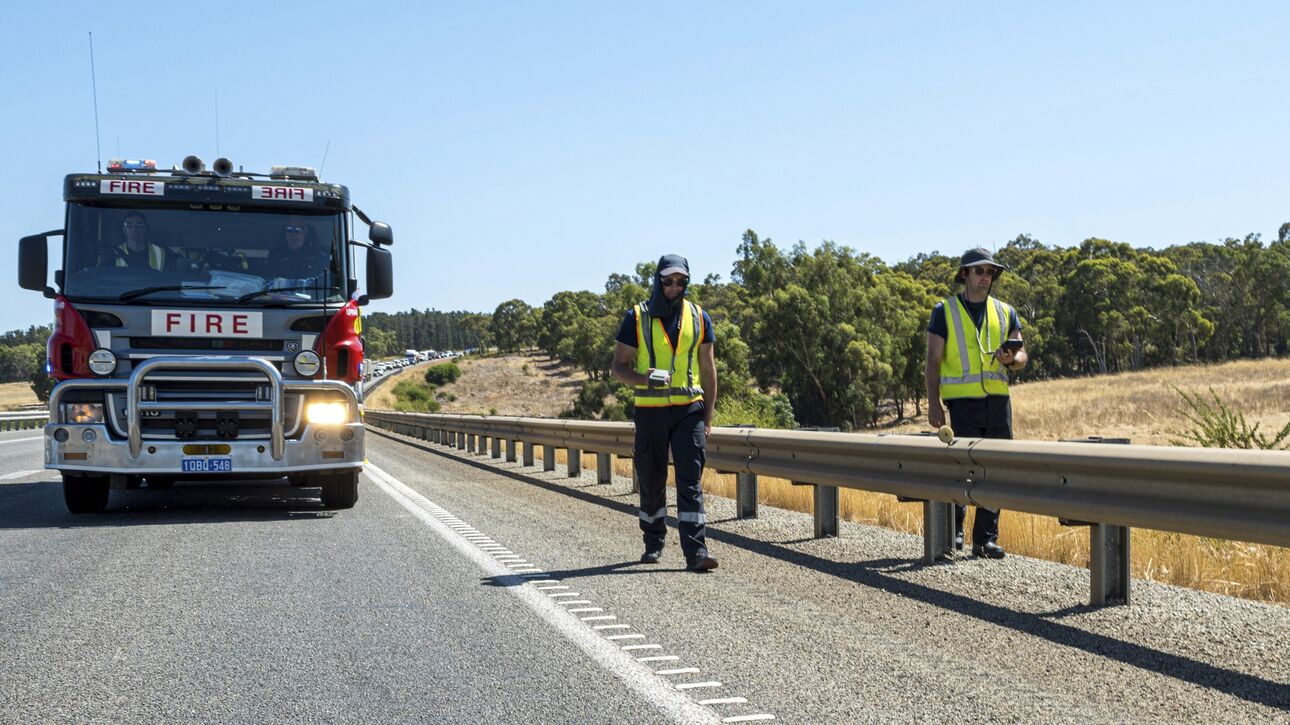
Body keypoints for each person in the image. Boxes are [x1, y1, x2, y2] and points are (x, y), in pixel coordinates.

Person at [610, 254, 720, 571]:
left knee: (690, 482)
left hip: (689, 411)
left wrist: (708, 417)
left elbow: (708, 370)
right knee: (652, 479)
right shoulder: (637, 317)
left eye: (681, 281)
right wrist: (644, 379)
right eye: (669, 280)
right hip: (650, 411)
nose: (675, 286)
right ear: (658, 280)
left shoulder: (699, 317)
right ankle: (653, 540)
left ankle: (696, 551)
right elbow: (618, 367)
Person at [925, 247, 1027, 559]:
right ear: (965, 274)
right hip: (962, 404)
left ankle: (986, 539)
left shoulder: (1005, 312)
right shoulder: (945, 311)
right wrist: (933, 404)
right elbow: (932, 361)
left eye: (990, 272)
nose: (986, 277)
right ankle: (954, 534)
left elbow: (1022, 356)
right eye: (979, 271)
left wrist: (1013, 359)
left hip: (998, 402)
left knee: (995, 470)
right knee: (964, 469)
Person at [267, 216, 331, 280]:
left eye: (298, 230)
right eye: (289, 230)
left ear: (305, 231)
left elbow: (325, 282)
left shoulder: (320, 255)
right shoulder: (275, 255)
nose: (293, 234)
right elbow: (269, 281)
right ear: (284, 233)